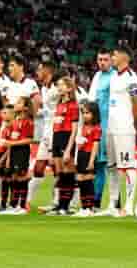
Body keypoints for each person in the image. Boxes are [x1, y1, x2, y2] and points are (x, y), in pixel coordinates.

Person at [101, 46, 137, 218]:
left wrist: (133, 125)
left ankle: (129, 205)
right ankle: (113, 204)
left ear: (124, 57)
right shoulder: (113, 76)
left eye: (114, 55)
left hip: (125, 129)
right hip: (111, 127)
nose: (112, 57)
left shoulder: (131, 77)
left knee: (127, 166)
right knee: (111, 167)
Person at [48, 77, 82, 215]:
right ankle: (60, 205)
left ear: (69, 88)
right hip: (57, 138)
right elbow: (55, 126)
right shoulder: (59, 104)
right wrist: (52, 146)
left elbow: (74, 129)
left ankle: (66, 206)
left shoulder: (73, 105)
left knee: (68, 173)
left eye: (62, 85)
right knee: (60, 173)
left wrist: (68, 149)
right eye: (58, 85)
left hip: (66, 138)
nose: (59, 87)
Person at [30, 61, 60, 213]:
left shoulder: (57, 87)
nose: (37, 72)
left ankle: (56, 202)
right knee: (38, 167)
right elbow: (47, 109)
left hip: (57, 131)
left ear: (48, 71)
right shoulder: (43, 88)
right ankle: (27, 201)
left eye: (40, 69)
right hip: (46, 133)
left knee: (56, 167)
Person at [0, 100, 35, 214]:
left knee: (22, 177)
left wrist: (12, 144)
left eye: (19, 102)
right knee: (14, 178)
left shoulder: (28, 122)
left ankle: (22, 206)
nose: (16, 104)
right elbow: (11, 140)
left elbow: (30, 139)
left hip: (22, 152)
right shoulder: (14, 122)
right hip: (13, 152)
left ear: (25, 108)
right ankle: (14, 205)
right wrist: (9, 157)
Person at [89, 50, 114, 207]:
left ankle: (106, 201)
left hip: (108, 127)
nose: (102, 62)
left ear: (111, 60)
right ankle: (94, 200)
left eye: (105, 59)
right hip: (95, 127)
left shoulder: (114, 78)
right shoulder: (97, 76)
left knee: (105, 165)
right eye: (100, 59)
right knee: (96, 164)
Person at [73, 102, 103, 217]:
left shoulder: (96, 128)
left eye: (88, 113)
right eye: (83, 113)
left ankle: (90, 208)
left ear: (94, 114)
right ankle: (84, 207)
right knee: (80, 180)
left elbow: (95, 146)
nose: (85, 115)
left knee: (88, 181)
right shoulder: (83, 127)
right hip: (81, 155)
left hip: (89, 155)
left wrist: (91, 161)